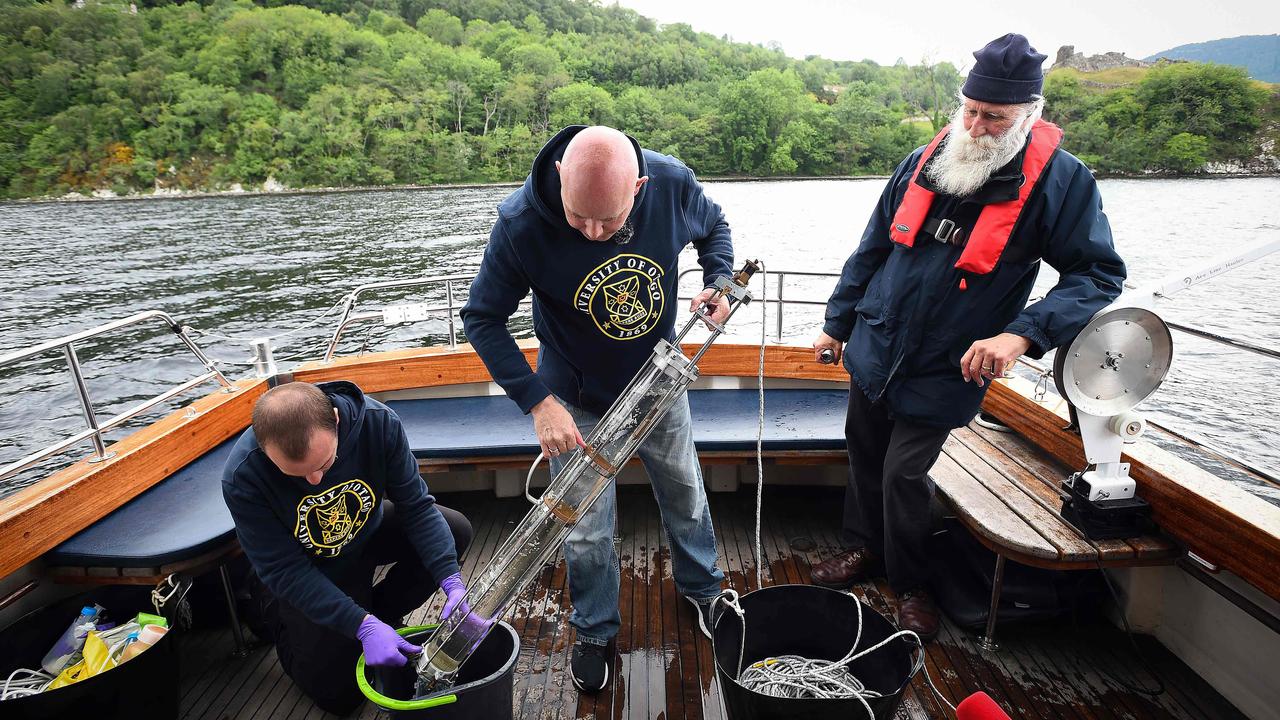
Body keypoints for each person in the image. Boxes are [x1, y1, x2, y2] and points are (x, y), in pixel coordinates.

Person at [810, 34, 1127, 641]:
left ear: (1027, 116)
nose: (978, 128)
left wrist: (1024, 336)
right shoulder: (922, 159)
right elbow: (873, 246)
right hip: (877, 341)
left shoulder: (1061, 182)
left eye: (995, 118)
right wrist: (837, 320)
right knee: (864, 449)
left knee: (905, 473)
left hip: (953, 361)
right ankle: (862, 550)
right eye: (972, 112)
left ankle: (910, 584)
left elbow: (1099, 273)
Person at [460, 125, 733, 694]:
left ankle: (706, 593)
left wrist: (720, 280)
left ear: (639, 186)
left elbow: (715, 228)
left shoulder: (673, 184)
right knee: (585, 527)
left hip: (658, 380)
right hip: (573, 399)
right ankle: (594, 627)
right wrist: (538, 402)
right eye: (578, 216)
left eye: (608, 221)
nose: (590, 231)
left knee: (684, 490)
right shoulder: (521, 224)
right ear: (560, 175)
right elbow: (483, 319)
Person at [222, 380, 472, 715]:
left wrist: (451, 580)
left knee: (455, 531)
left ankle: (378, 615)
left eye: (323, 465)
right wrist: (360, 625)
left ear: (336, 421)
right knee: (339, 697)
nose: (314, 480)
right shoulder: (243, 475)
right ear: (264, 449)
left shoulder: (379, 423)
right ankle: (273, 608)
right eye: (296, 474)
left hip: (365, 531)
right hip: (306, 565)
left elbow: (416, 507)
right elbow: (286, 571)